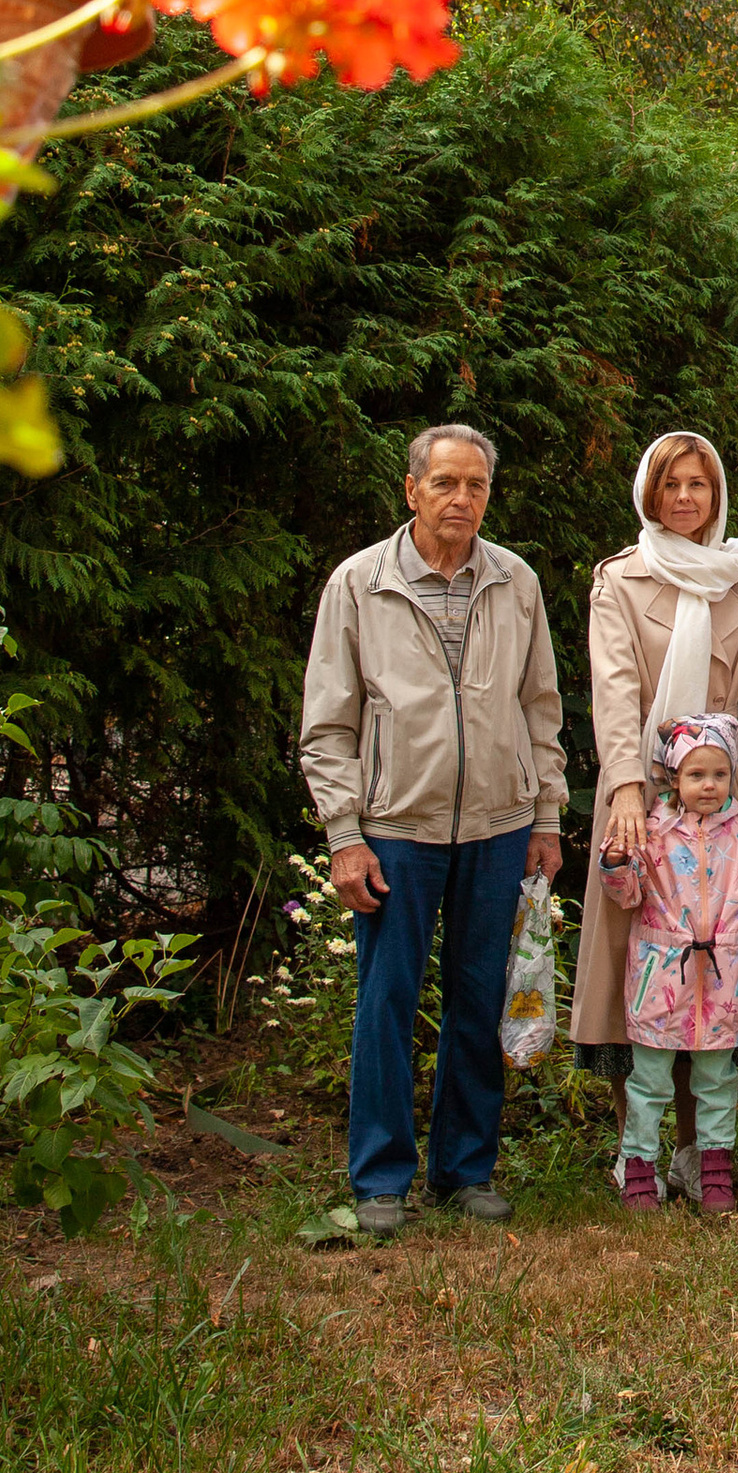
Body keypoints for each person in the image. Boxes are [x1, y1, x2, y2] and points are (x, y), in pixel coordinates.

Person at [303, 423, 567, 1236]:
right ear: (412, 489)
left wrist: (546, 815)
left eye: (476, 485)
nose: (462, 498)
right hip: (395, 827)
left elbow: (540, 707)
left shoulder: (515, 581)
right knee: (386, 999)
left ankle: (464, 1170)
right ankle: (381, 1179)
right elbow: (328, 725)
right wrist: (345, 833)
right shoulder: (361, 583)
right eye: (446, 483)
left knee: (479, 998)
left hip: (498, 824)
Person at [572, 431, 738, 1195]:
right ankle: (634, 1146)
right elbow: (614, 690)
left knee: (713, 967)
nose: (684, 497)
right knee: (633, 970)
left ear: (716, 493)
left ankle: (697, 1146)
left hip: (721, 799)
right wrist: (626, 786)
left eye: (698, 484)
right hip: (640, 793)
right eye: (670, 484)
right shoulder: (620, 579)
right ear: (649, 492)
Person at [602, 711, 738, 1215]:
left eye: (719, 774)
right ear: (673, 778)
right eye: (696, 774)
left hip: (724, 981)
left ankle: (714, 1170)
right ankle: (638, 1168)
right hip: (659, 976)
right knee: (648, 1081)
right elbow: (627, 894)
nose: (709, 785)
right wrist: (617, 862)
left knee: (718, 1080)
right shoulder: (651, 833)